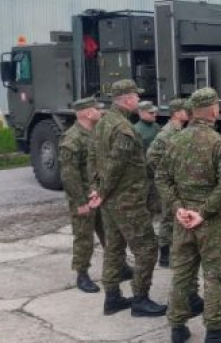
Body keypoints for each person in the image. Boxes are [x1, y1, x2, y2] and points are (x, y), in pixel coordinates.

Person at [155, 87, 221, 343]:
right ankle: (214, 331)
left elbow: (161, 178)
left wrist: (177, 207)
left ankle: (177, 328)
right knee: (216, 276)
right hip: (212, 223)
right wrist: (203, 213)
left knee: (182, 275)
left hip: (183, 221)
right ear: (213, 110)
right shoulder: (219, 143)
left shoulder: (175, 140)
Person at [89, 79, 166, 317]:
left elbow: (92, 158)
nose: (139, 99)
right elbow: (115, 166)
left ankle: (112, 298)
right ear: (127, 99)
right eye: (136, 96)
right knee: (147, 248)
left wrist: (97, 189)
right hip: (126, 200)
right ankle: (140, 299)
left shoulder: (102, 123)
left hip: (111, 200)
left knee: (114, 248)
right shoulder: (123, 128)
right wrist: (101, 191)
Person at [145, 98, 205, 318]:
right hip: (171, 187)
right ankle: (165, 252)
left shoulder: (180, 131)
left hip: (178, 187)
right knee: (168, 219)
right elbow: (152, 156)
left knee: (173, 220)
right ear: (176, 113)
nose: (187, 112)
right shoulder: (167, 133)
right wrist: (168, 173)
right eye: (183, 110)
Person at [59, 97, 105, 293]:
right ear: (87, 113)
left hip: (100, 194)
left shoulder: (96, 132)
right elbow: (69, 175)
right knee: (84, 237)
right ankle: (82, 274)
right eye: (97, 109)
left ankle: (118, 266)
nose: (101, 112)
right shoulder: (72, 138)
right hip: (84, 196)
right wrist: (80, 201)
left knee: (110, 233)